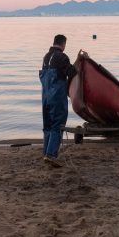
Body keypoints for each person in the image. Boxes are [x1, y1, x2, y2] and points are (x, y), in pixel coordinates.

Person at [40, 34, 77, 167]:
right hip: (57, 97)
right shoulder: (62, 57)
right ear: (63, 44)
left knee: (48, 125)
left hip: (45, 96)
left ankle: (46, 153)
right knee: (58, 124)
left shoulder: (46, 57)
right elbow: (72, 73)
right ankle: (51, 155)